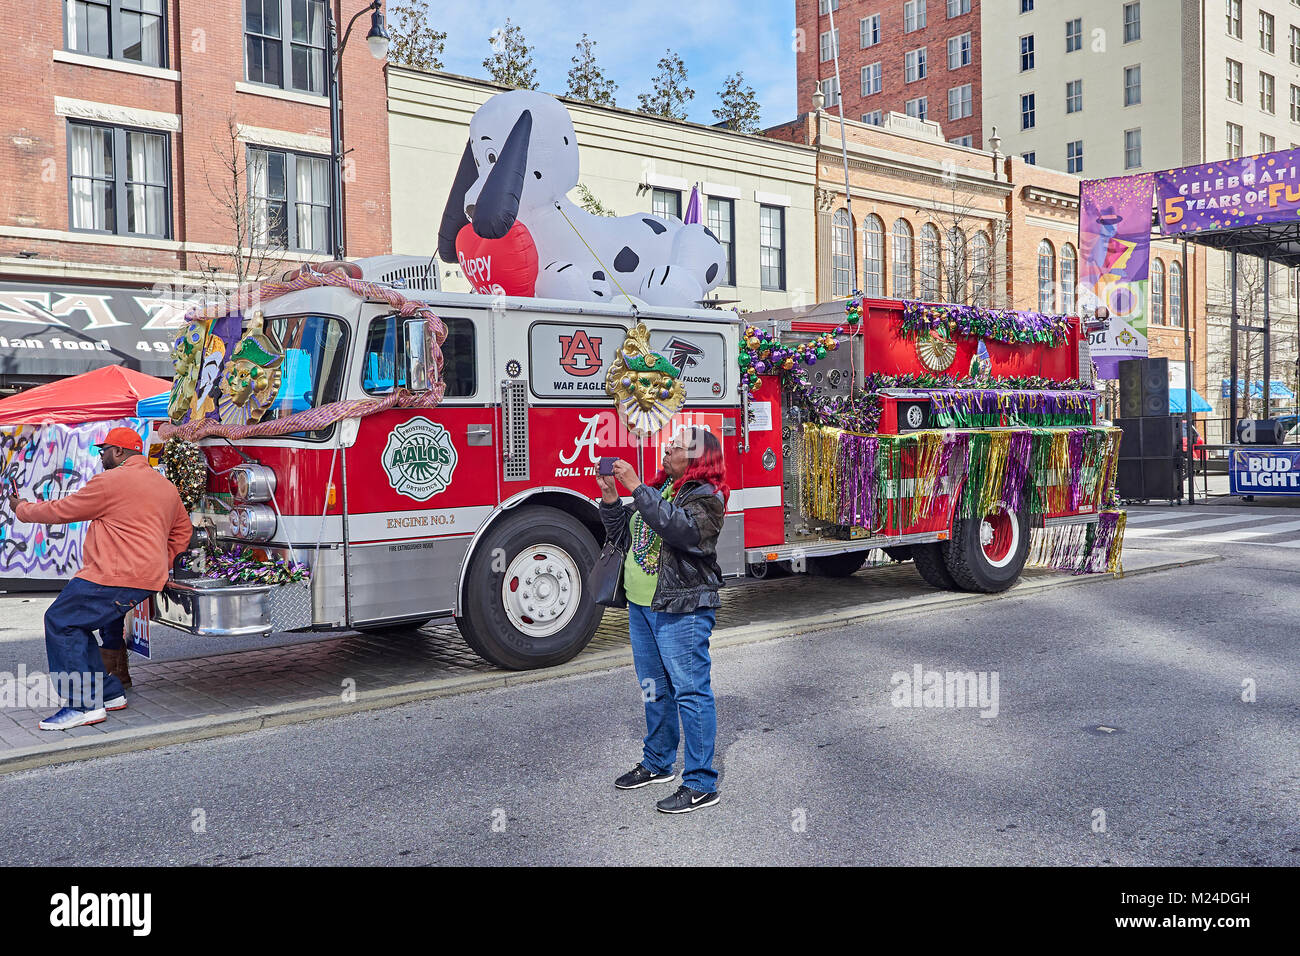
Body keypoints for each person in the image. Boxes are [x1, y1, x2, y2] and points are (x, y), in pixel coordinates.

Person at [2, 427, 192, 730]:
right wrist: (160, 560)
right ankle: (109, 692)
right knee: (76, 624)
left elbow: (62, 510)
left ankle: (82, 706)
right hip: (140, 577)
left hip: (113, 574)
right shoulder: (164, 485)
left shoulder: (111, 481)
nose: (100, 456)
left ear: (118, 452)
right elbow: (183, 531)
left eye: (102, 450)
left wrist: (20, 508)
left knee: (61, 621)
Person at [598, 425, 728, 814]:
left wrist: (637, 487)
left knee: (690, 691)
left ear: (698, 458)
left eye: (676, 447)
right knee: (653, 687)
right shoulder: (660, 490)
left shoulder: (707, 499)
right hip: (642, 605)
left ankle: (702, 783)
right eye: (668, 444)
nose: (666, 449)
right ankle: (657, 762)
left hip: (682, 606)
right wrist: (610, 499)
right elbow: (624, 534)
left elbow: (681, 530)